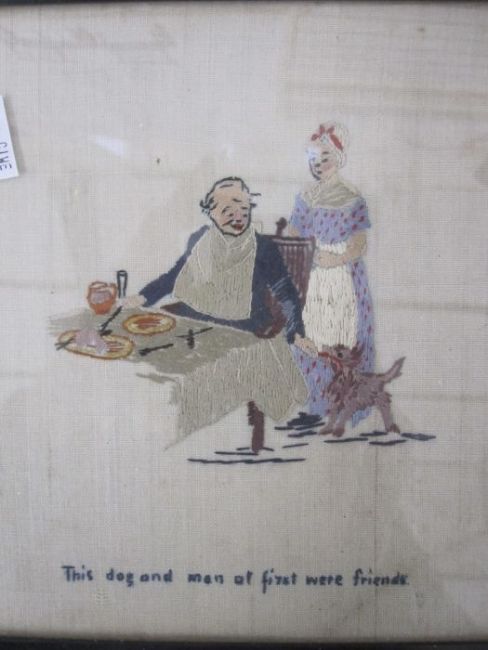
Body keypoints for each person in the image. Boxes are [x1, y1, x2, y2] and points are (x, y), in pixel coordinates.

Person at [123, 177, 317, 357]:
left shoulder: (263, 248)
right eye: (228, 212)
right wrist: (143, 297)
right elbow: (174, 276)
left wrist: (296, 332)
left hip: (242, 323)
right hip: (196, 313)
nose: (238, 217)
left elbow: (286, 293)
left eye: (243, 210)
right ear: (212, 213)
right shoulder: (200, 240)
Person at [288, 123, 375, 426]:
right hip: (312, 276)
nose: (319, 163)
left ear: (338, 157)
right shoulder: (306, 196)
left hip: (343, 277)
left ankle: (345, 406)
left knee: (342, 339)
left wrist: (336, 259)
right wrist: (303, 254)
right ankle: (316, 404)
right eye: (314, 157)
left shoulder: (352, 197)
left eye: (325, 156)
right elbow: (294, 232)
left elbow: (359, 244)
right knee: (310, 336)